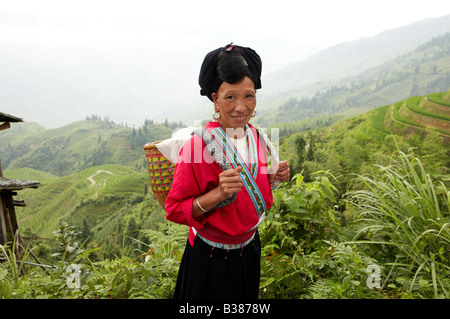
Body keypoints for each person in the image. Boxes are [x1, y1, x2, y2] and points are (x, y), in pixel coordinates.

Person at [165, 43, 290, 299]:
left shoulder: (256, 136)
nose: (241, 107)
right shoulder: (198, 146)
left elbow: (251, 190)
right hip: (210, 258)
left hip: (249, 249)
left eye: (249, 95)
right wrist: (219, 193)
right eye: (230, 97)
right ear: (215, 99)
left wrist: (271, 177)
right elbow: (175, 209)